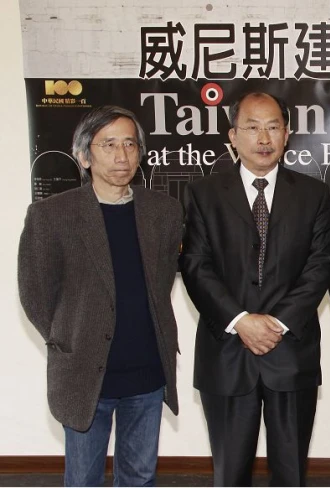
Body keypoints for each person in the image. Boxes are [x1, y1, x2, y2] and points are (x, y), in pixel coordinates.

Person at [18, 105, 182, 486]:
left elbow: (161, 285)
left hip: (147, 370)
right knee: (83, 478)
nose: (121, 155)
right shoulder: (51, 215)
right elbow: (35, 295)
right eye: (108, 144)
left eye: (130, 144)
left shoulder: (164, 211)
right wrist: (69, 339)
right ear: (84, 155)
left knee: (140, 475)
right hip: (86, 371)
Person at [180, 91, 330, 486]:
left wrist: (277, 323)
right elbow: (196, 266)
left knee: (291, 473)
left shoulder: (314, 194)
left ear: (287, 134)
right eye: (252, 127)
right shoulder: (204, 194)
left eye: (273, 127)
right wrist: (241, 321)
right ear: (233, 135)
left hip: (291, 354)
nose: (263, 139)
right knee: (229, 473)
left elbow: (319, 267)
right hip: (227, 353)